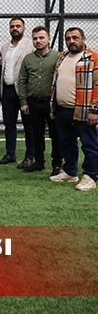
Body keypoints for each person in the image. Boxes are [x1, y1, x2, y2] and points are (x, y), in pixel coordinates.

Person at [49, 27, 98, 191]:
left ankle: (91, 176)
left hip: (83, 111)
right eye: (68, 38)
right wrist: (53, 108)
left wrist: (94, 110)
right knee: (67, 143)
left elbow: (97, 85)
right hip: (62, 109)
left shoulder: (94, 57)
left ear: (83, 38)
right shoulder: (62, 57)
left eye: (75, 37)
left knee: (89, 144)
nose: (71, 41)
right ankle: (70, 172)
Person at [17, 26, 62, 175]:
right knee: (37, 134)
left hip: (52, 103)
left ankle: (57, 163)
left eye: (41, 37)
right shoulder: (28, 59)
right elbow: (22, 81)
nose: (38, 41)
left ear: (49, 39)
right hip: (33, 102)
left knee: (55, 134)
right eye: (35, 38)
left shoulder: (58, 57)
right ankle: (39, 162)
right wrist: (23, 102)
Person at [0, 17, 35, 169]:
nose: (15, 28)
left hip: (25, 91)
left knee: (29, 126)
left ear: (24, 28)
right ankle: (10, 154)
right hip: (7, 90)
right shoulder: (5, 47)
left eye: (18, 26)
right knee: (9, 124)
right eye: (12, 26)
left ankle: (30, 156)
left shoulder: (31, 45)